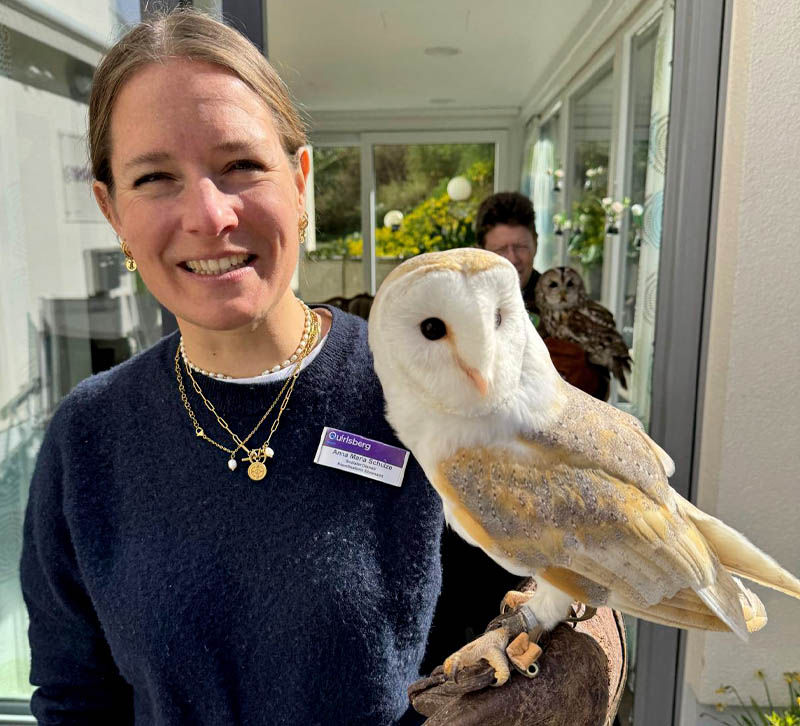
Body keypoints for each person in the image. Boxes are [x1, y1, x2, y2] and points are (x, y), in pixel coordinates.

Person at [19, 9, 443, 725]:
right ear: (112, 211)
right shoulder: (88, 437)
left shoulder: (425, 389)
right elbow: (75, 699)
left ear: (300, 181)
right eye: (155, 177)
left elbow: (526, 620)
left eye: (240, 165)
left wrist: (591, 637)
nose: (209, 215)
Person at [476, 191, 611, 401]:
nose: (513, 258)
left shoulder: (568, 303)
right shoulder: (465, 304)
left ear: (536, 243)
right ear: (481, 250)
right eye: (501, 249)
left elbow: (602, 392)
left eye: (521, 247)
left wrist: (583, 375)